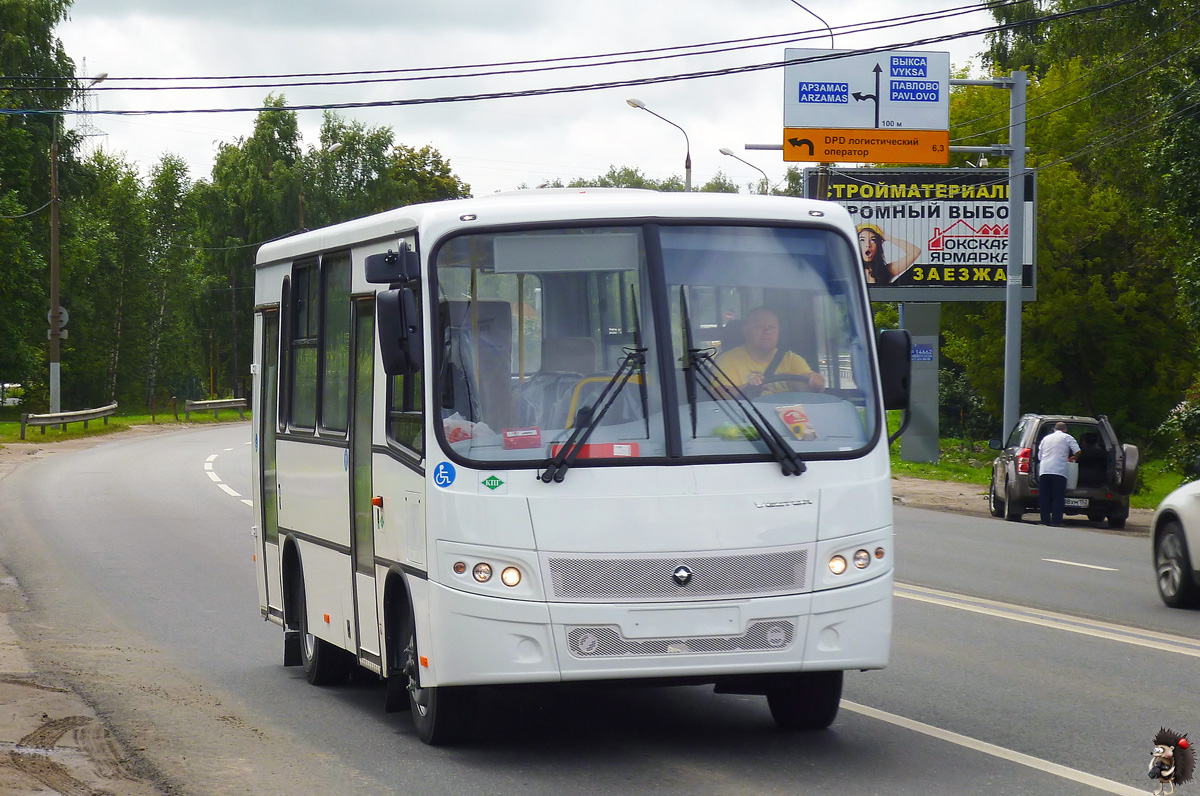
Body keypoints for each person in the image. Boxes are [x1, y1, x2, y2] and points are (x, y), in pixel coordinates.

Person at [715, 307, 825, 397]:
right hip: (747, 421)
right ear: (745, 330)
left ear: (778, 332)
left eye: (772, 327)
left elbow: (807, 385)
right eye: (760, 326)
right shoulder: (727, 360)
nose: (767, 331)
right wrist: (748, 388)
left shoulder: (792, 359)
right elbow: (720, 395)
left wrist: (816, 382)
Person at [1037, 422, 1081, 526]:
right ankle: (1056, 521)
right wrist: (1073, 458)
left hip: (1045, 470)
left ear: (1054, 429)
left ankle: (1045, 521)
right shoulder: (1067, 437)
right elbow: (1078, 451)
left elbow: (1040, 456)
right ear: (1065, 430)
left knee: (1044, 497)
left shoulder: (1046, 438)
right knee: (1058, 497)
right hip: (1059, 471)